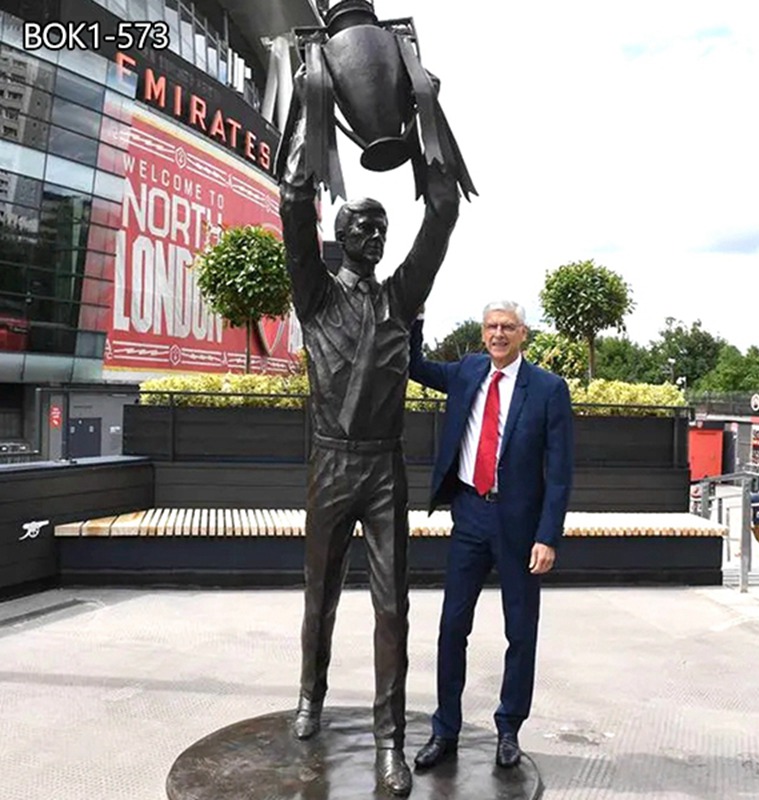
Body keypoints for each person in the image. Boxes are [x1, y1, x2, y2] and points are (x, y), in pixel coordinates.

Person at [279, 76, 460, 796]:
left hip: (384, 470)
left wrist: (425, 111)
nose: (376, 235)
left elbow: (443, 210)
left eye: (382, 228)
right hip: (330, 464)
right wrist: (316, 101)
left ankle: (390, 739)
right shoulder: (314, 295)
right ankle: (310, 697)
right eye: (363, 225)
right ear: (339, 236)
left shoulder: (399, 298)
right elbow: (293, 200)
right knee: (318, 596)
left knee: (393, 607)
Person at [409, 301, 574, 770]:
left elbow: (559, 474)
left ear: (523, 333)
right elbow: (413, 365)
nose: (498, 334)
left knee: (520, 631)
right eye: (491, 327)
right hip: (470, 517)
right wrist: (416, 319)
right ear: (483, 333)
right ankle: (445, 729)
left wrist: (548, 536)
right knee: (451, 627)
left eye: (507, 327)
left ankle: (509, 729)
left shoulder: (547, 389)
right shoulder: (466, 372)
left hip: (520, 528)